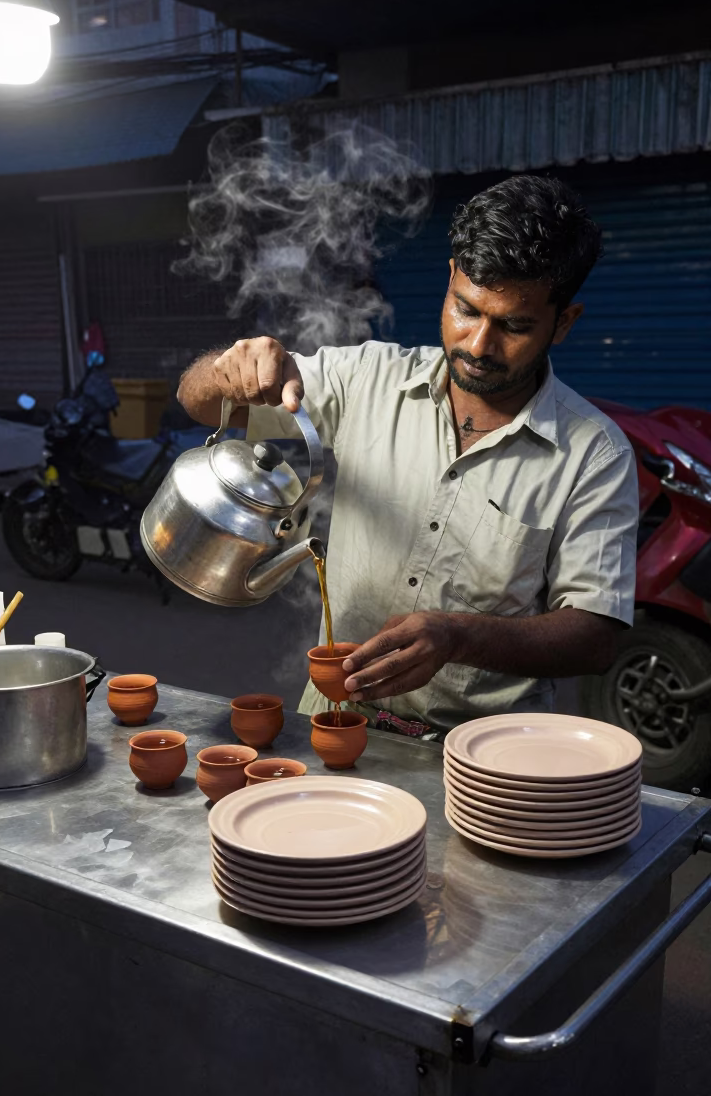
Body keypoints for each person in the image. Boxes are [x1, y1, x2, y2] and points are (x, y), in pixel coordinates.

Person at [178, 175, 638, 740]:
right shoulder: (364, 377)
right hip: (336, 722)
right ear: (449, 281)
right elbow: (196, 401)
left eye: (514, 326)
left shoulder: (595, 453)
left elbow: (594, 636)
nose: (477, 345)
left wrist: (457, 637)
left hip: (483, 757)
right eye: (466, 310)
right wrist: (231, 367)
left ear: (563, 322)